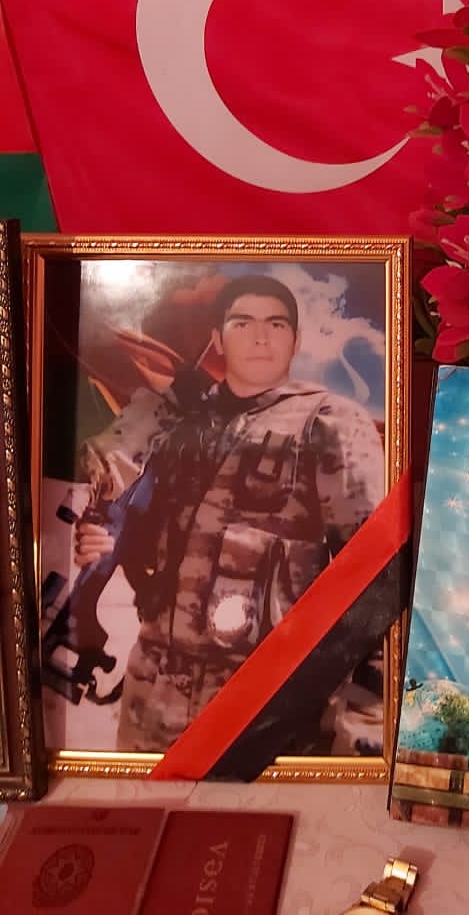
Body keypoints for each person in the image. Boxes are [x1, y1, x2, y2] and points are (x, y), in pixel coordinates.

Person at [73, 273, 384, 753]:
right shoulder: (172, 417)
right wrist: (100, 537)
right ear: (218, 339)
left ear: (296, 340)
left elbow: (370, 575)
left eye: (276, 324)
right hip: (152, 693)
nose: (260, 337)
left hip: (266, 701)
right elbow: (117, 489)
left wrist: (365, 718)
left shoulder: (330, 424)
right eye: (242, 323)